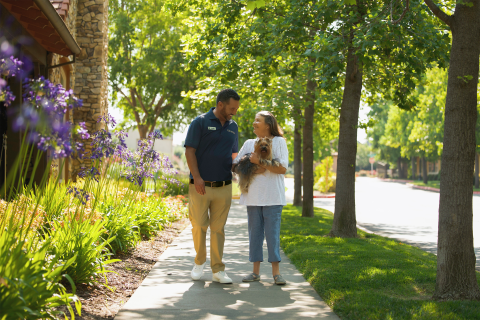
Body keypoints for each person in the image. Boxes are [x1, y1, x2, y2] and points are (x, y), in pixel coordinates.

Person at [184, 89, 240, 284]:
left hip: (224, 185)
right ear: (220, 104)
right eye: (232, 108)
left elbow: (234, 155)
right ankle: (199, 263)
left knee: (218, 228)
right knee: (199, 225)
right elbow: (190, 151)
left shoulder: (234, 127)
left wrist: (239, 168)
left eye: (236, 108)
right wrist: (197, 177)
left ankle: (218, 270)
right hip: (200, 185)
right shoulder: (199, 122)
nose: (234, 112)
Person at [233, 111, 288, 285]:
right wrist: (255, 169)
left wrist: (260, 163)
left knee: (272, 235)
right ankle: (255, 272)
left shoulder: (279, 142)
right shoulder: (249, 143)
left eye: (258, 120)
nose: (254, 123)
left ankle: (276, 273)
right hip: (253, 197)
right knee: (255, 235)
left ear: (268, 124)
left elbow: (282, 168)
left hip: (273, 197)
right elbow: (234, 166)